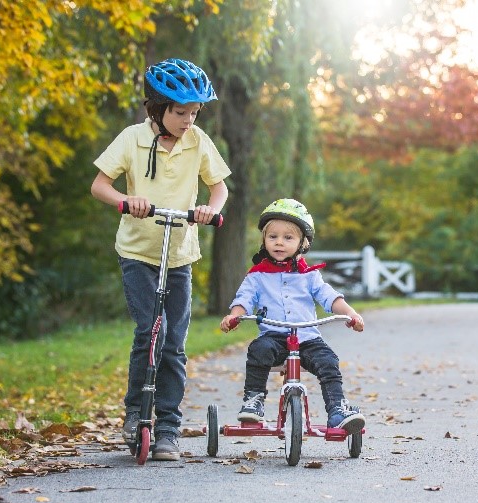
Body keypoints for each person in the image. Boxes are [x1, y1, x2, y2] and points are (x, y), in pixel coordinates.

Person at [91, 58, 230, 461]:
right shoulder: (132, 138)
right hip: (138, 251)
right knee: (150, 329)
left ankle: (167, 425)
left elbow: (219, 189)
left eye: (194, 113)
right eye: (180, 112)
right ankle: (136, 413)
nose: (188, 120)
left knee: (173, 342)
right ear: (157, 108)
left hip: (180, 254)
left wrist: (209, 209)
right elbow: (100, 185)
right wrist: (125, 200)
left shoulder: (198, 141)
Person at [219, 199, 366, 434]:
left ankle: (337, 409)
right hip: (274, 337)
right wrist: (234, 316)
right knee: (259, 350)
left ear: (302, 243)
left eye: (288, 237)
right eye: (273, 236)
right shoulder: (257, 276)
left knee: (328, 361)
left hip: (307, 338)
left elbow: (329, 297)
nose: (279, 242)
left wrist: (350, 314)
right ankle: (253, 401)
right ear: (264, 241)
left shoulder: (309, 276)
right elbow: (244, 299)